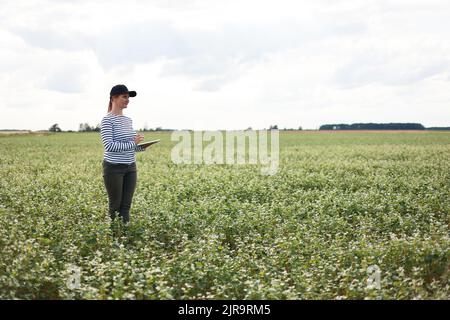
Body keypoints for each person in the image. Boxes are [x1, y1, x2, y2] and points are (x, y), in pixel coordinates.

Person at [100, 84, 148, 224]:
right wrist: (133, 144)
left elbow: (130, 146)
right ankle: (114, 237)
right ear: (114, 98)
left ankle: (125, 237)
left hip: (130, 167)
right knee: (115, 206)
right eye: (124, 97)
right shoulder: (107, 120)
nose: (128, 100)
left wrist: (141, 147)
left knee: (126, 206)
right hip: (114, 168)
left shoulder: (128, 120)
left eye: (128, 97)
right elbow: (109, 146)